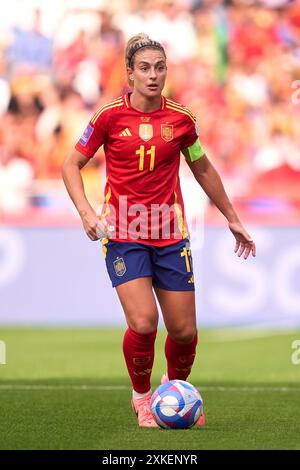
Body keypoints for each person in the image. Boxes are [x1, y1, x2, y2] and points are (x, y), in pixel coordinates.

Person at [62, 33, 256, 428]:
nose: (153, 76)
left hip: (171, 235)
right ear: (129, 74)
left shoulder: (182, 120)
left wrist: (232, 217)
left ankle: (174, 393)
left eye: (160, 68)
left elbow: (202, 167)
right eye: (145, 68)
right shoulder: (108, 117)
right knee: (145, 323)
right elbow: (70, 165)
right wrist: (85, 212)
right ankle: (143, 398)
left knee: (185, 333)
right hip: (123, 234)